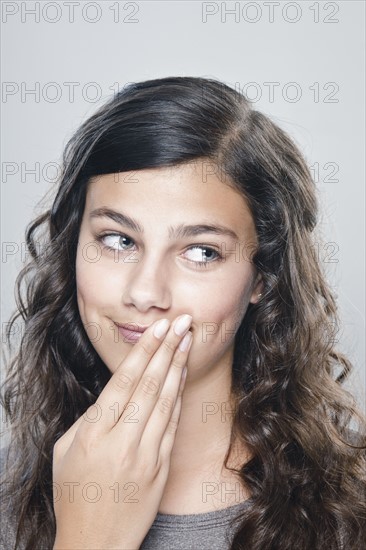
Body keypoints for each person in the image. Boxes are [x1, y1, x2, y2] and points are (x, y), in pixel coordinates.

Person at [1, 76, 365, 550]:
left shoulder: (351, 502)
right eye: (118, 240)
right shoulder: (9, 493)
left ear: (262, 277)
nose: (146, 292)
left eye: (201, 252)